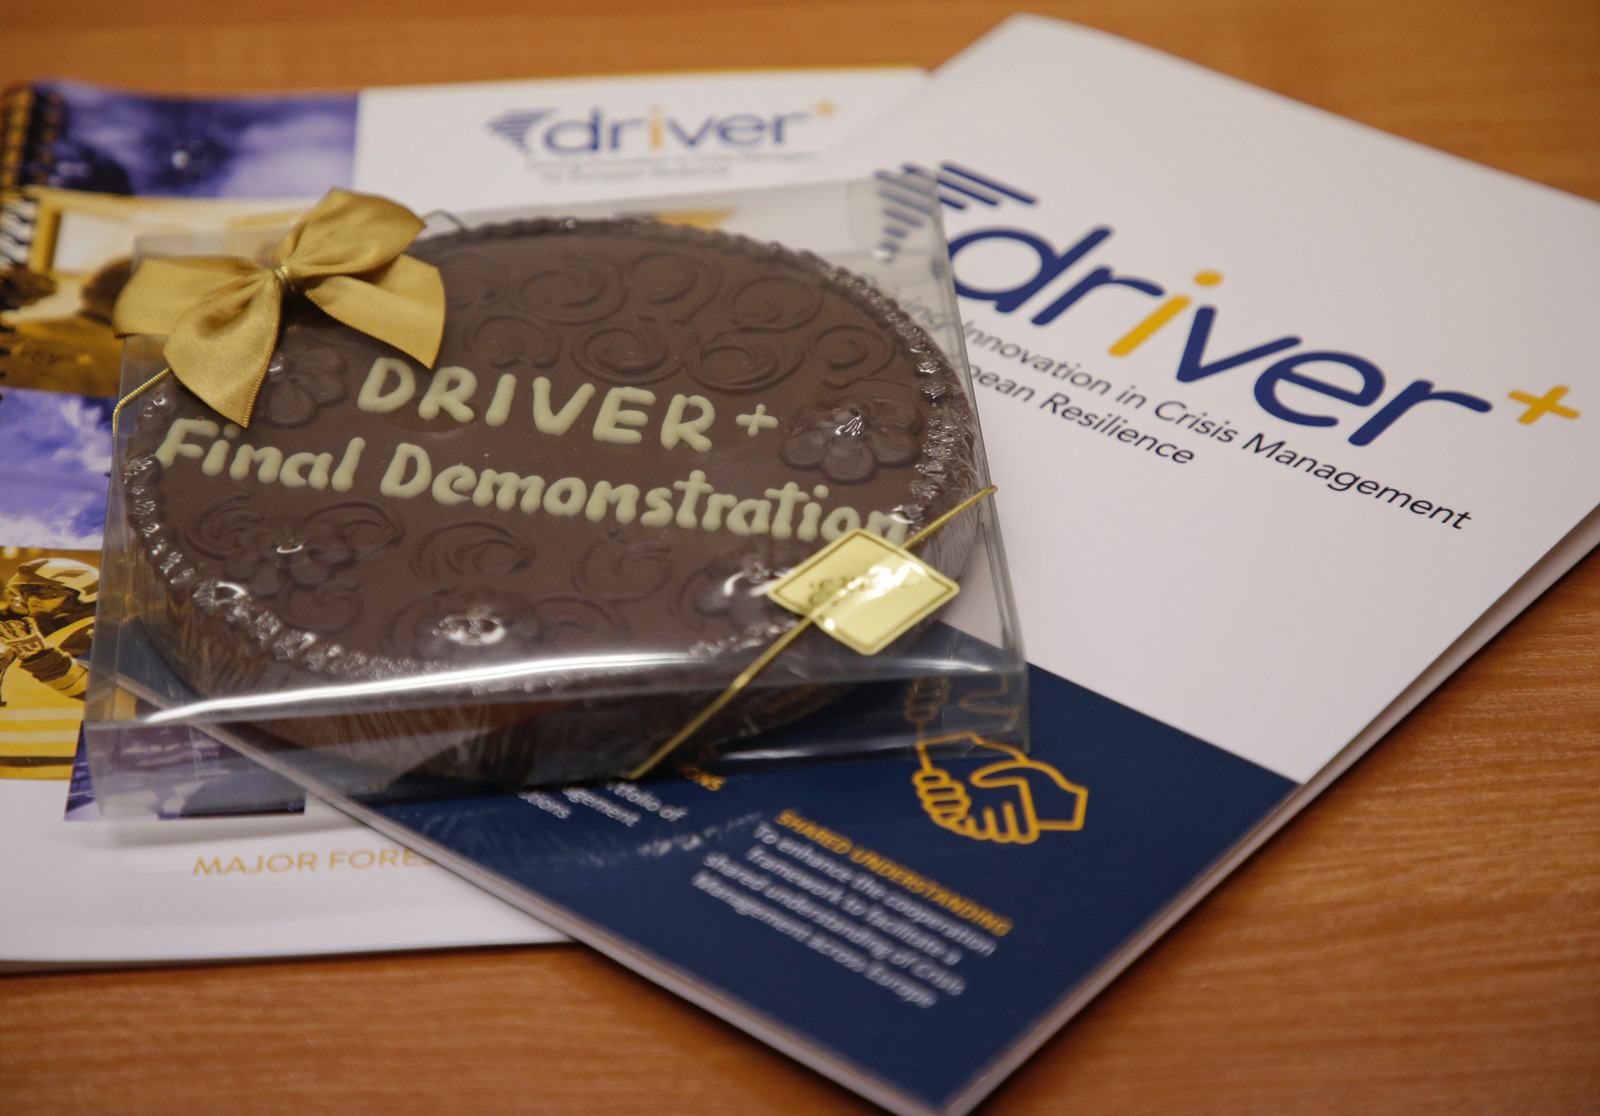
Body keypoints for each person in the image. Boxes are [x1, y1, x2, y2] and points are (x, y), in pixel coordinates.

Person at [0, 557, 98, 704]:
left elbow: (101, 691)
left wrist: (43, 659)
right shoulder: (37, 633)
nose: (32, 599)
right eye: (27, 592)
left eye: (44, 592)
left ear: (80, 594)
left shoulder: (102, 631)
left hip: (66, 719)